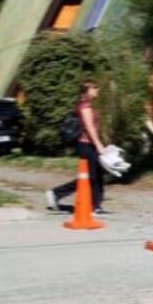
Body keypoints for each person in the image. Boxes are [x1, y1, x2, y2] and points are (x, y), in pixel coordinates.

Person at [46, 79, 107, 214]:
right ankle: (56, 193)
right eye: (95, 88)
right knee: (89, 176)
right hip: (86, 145)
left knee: (98, 174)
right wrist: (99, 146)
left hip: (90, 144)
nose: (98, 90)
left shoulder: (88, 105)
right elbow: (90, 128)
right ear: (87, 90)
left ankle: (96, 205)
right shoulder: (85, 107)